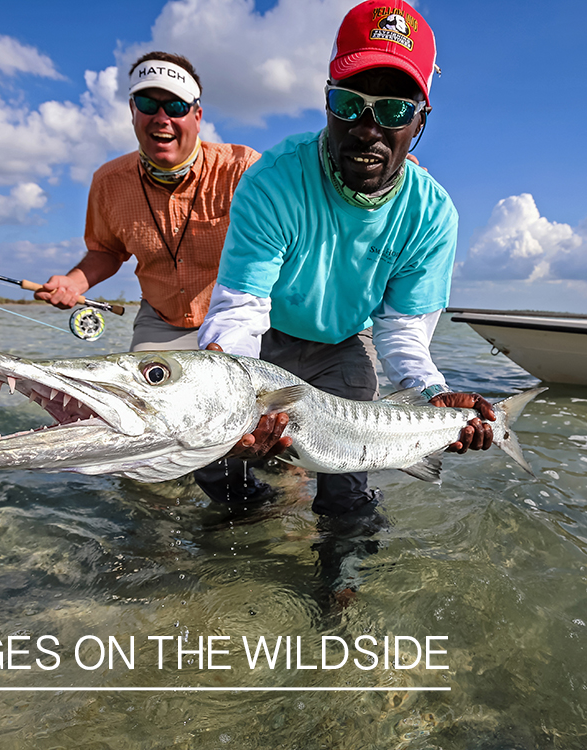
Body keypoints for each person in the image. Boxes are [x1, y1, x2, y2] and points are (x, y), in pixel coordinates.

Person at [198, 0, 496, 536]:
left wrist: (433, 395)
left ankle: (341, 586)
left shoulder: (432, 214)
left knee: (348, 490)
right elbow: (241, 310)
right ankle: (259, 519)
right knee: (214, 459)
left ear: (421, 120)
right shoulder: (272, 182)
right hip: (266, 341)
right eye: (349, 102)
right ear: (326, 103)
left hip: (342, 345)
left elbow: (402, 331)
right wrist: (233, 395)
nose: (367, 129)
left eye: (394, 110)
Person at [34, 52, 259, 353]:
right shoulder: (107, 181)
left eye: (176, 106)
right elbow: (107, 251)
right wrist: (74, 283)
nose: (162, 118)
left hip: (234, 317)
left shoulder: (243, 169)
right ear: (132, 110)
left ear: (197, 116)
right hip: (160, 321)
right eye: (148, 104)